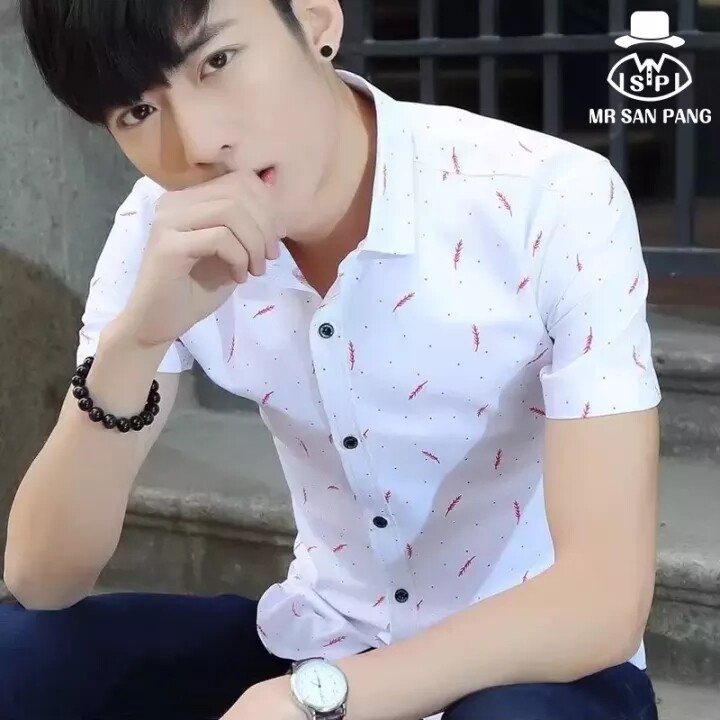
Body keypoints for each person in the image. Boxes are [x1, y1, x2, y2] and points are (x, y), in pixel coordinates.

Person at [2, 0, 662, 718]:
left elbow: (601, 599)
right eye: (138, 111)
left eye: (217, 61)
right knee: (20, 656)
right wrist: (137, 342)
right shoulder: (160, 230)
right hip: (322, 635)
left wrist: (316, 702)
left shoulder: (548, 197)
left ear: (316, 21)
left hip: (535, 660)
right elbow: (41, 579)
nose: (199, 143)